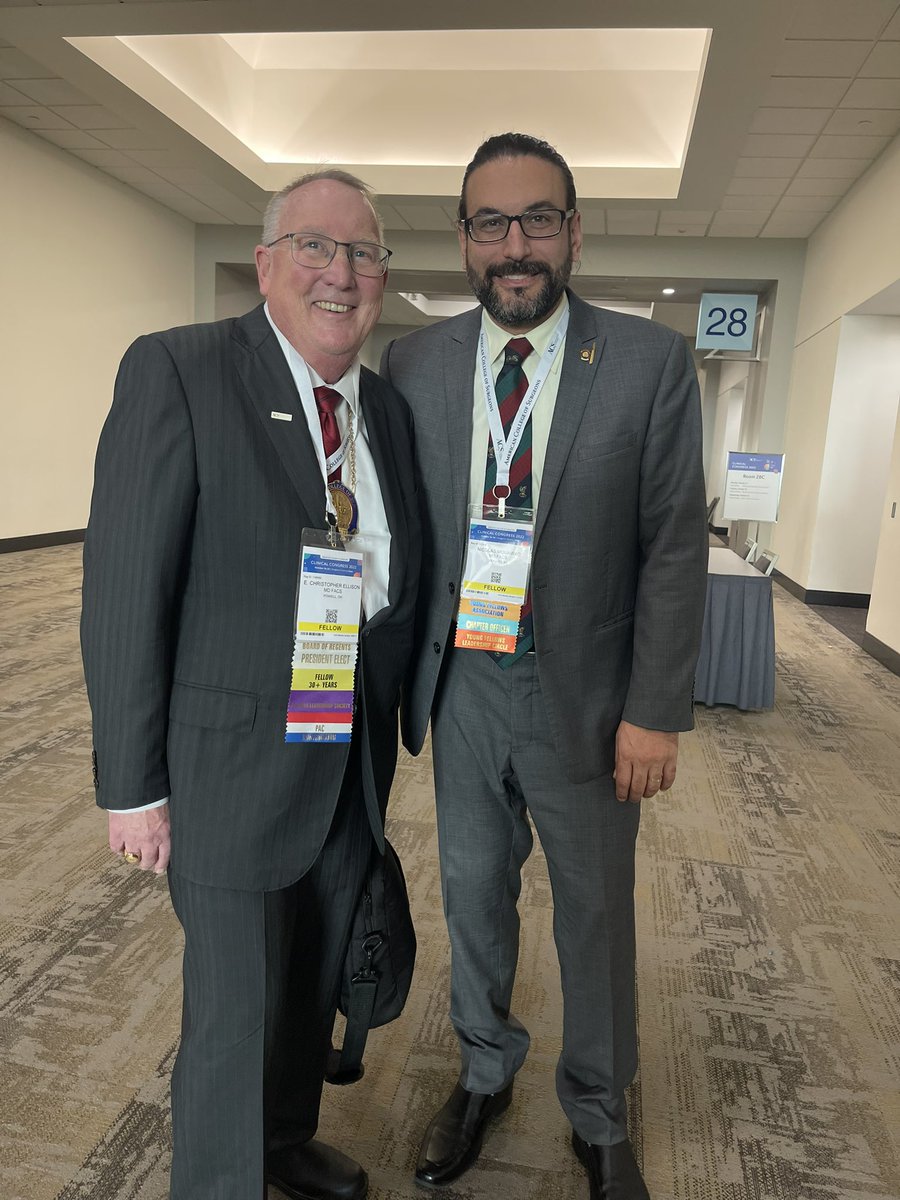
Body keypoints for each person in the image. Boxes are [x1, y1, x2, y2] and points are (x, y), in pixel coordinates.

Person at [81, 169, 420, 1200]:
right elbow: (126, 589)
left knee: (312, 973)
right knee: (232, 1010)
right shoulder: (181, 371)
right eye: (316, 246)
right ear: (266, 262)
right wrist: (130, 785)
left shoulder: (387, 411)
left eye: (364, 253)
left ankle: (280, 1144)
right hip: (224, 763)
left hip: (347, 747)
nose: (342, 272)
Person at [381, 133, 707, 1199]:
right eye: (490, 223)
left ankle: (599, 1109)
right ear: (463, 239)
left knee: (593, 912)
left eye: (536, 220)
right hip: (463, 682)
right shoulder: (417, 363)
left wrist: (655, 711)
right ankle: (483, 1068)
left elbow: (670, 545)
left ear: (574, 230)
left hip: (590, 698)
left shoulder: (649, 361)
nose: (513, 246)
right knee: (472, 894)